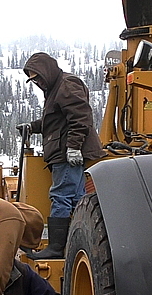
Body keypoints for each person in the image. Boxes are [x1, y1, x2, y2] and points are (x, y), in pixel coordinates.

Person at [20, 52, 105, 259]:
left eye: (38, 77)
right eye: (33, 80)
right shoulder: (55, 88)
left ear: (46, 71)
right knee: (76, 199)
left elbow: (81, 118)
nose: (37, 82)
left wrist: (73, 147)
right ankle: (77, 243)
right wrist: (32, 127)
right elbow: (56, 122)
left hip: (66, 155)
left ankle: (56, 248)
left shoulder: (66, 85)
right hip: (64, 153)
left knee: (61, 196)